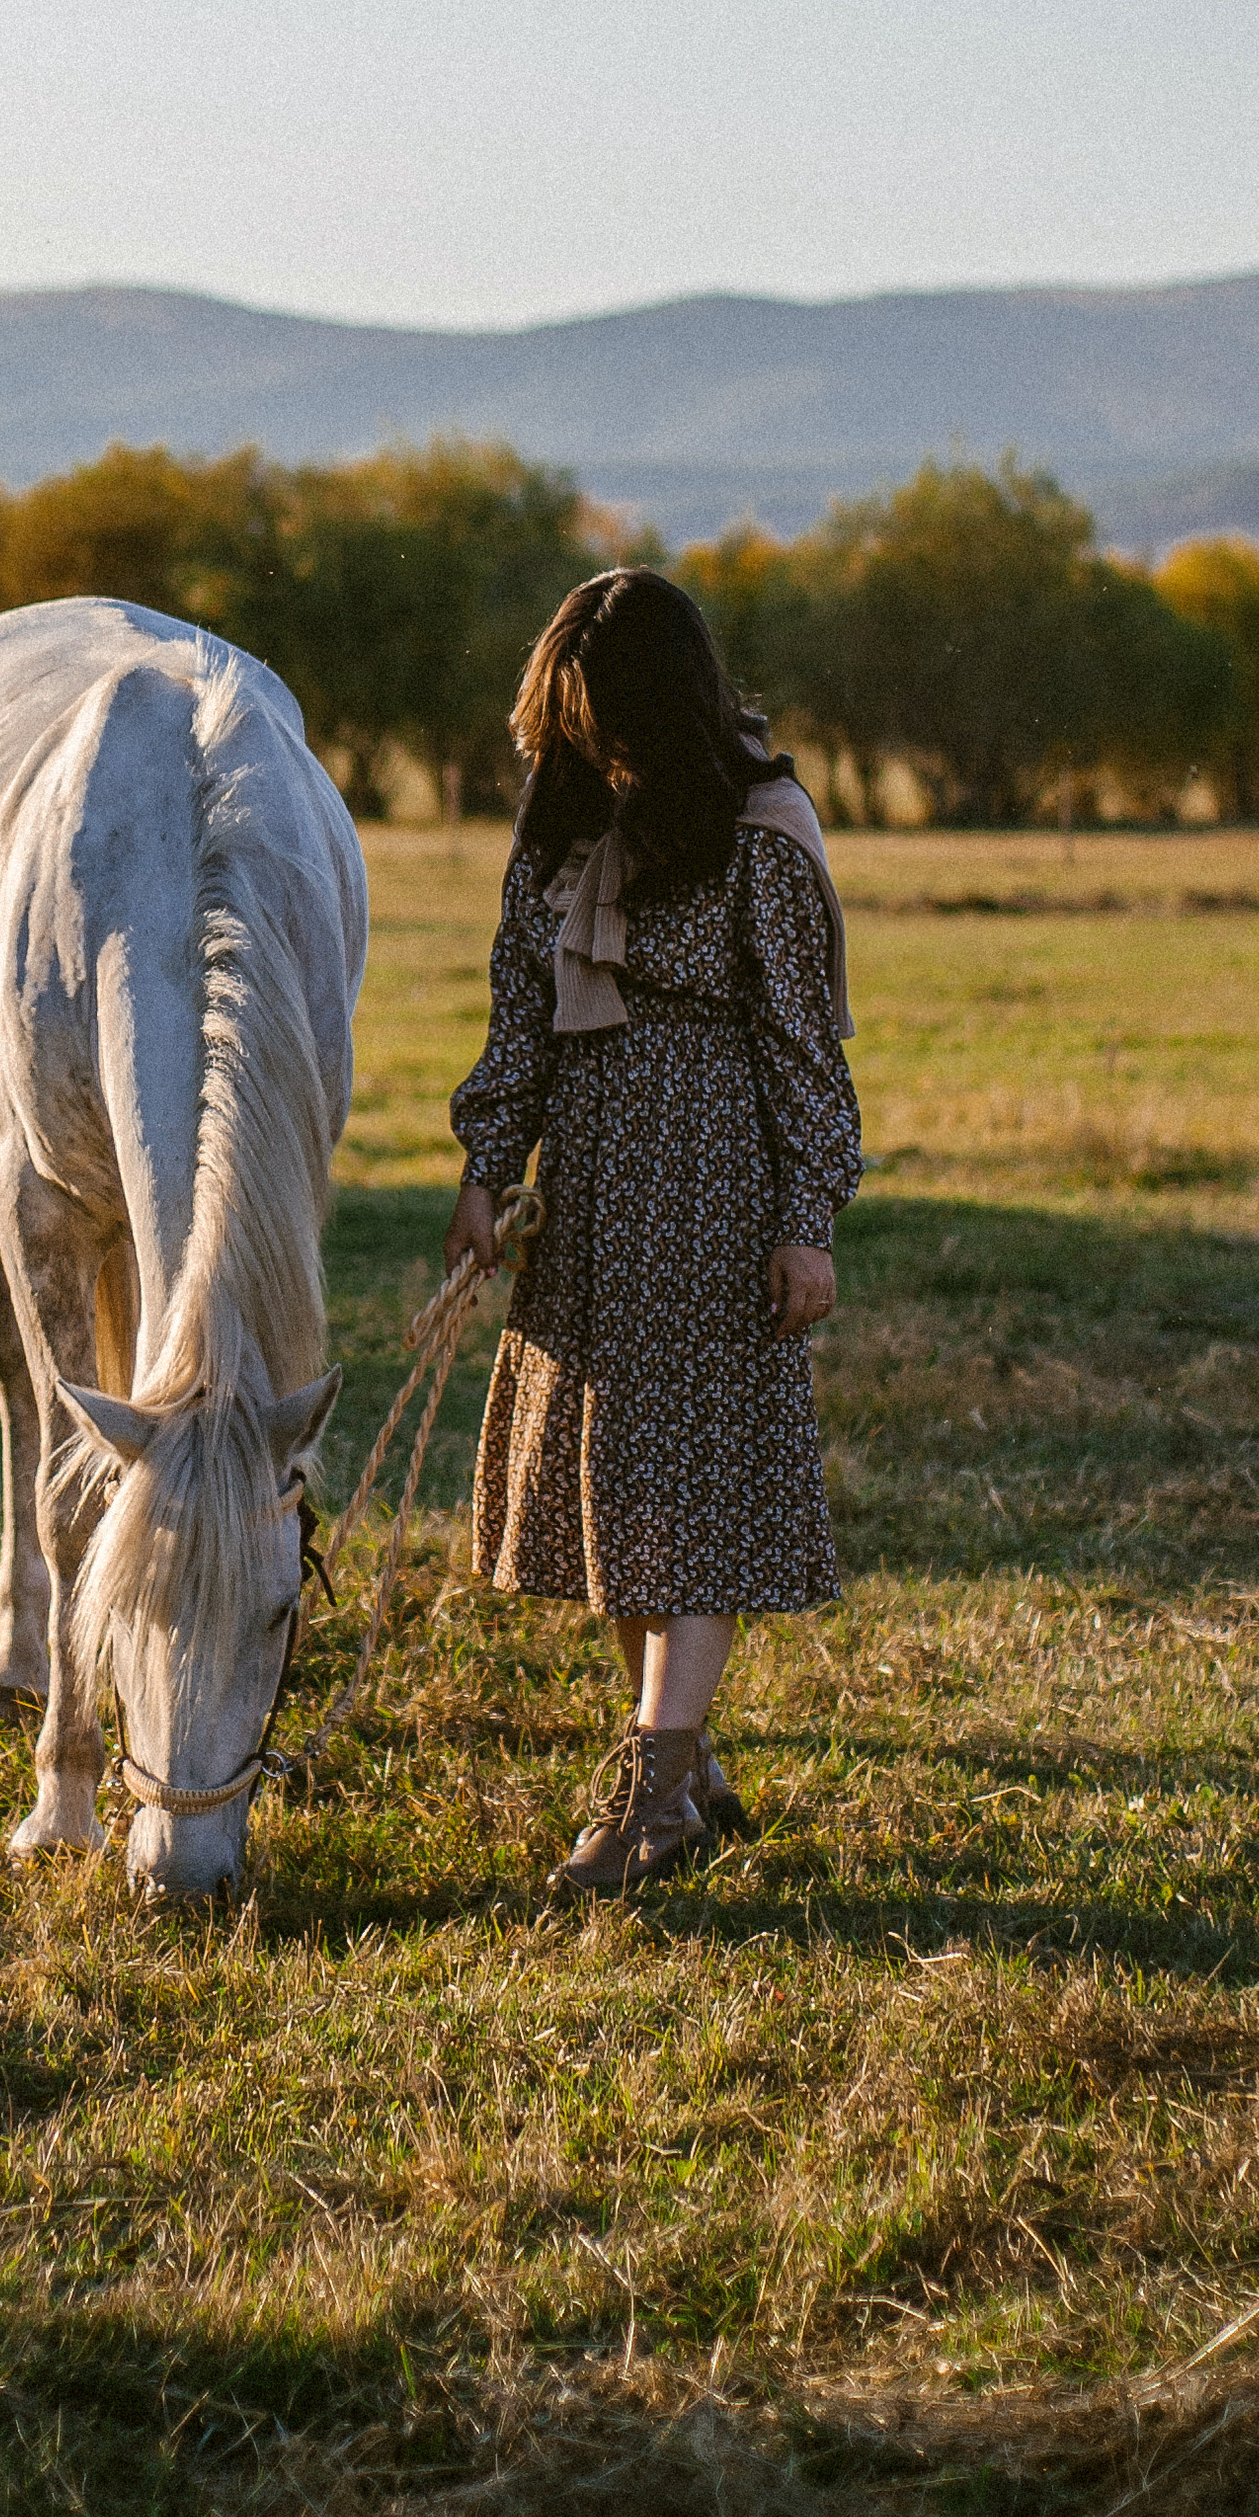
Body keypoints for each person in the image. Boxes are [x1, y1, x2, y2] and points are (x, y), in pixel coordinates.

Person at [445, 567, 861, 1901]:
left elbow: (804, 1043)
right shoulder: (566, 816)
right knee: (618, 1492)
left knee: (697, 1492)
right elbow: (520, 1003)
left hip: (716, 1184)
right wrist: (485, 1167)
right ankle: (684, 1767)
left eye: (609, 717)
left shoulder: (762, 828)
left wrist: (808, 1221)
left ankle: (652, 1791)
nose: (589, 744)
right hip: (591, 1190)